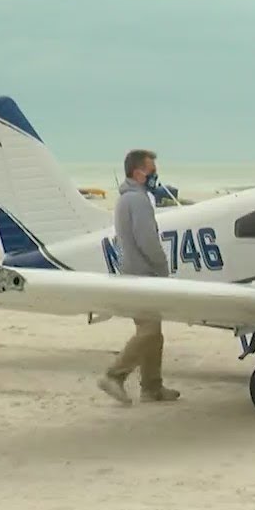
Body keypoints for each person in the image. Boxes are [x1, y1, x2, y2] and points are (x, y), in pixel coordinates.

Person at [97, 149, 181, 405]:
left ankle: (152, 387)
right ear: (138, 173)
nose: (155, 175)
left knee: (153, 332)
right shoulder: (138, 200)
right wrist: (163, 268)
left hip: (133, 272)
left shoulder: (127, 199)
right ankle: (114, 375)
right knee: (148, 333)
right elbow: (148, 240)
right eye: (151, 170)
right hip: (142, 275)